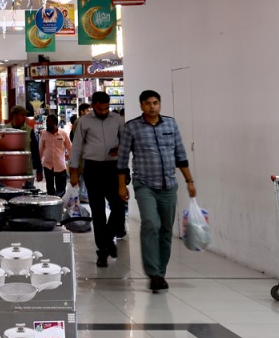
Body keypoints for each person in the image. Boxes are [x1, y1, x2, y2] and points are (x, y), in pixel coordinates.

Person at [117, 90, 196, 292]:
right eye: (148, 103)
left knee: (166, 230)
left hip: (169, 185)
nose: (152, 107)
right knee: (151, 223)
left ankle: (160, 273)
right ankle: (153, 272)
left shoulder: (171, 124)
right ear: (141, 105)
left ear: (160, 104)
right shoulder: (132, 127)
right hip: (144, 184)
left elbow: (180, 153)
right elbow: (122, 158)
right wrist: (121, 185)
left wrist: (189, 180)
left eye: (155, 103)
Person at [70, 91, 126, 269]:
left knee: (118, 206)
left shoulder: (117, 119)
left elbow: (126, 141)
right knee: (98, 211)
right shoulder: (84, 122)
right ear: (93, 105)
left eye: (106, 108)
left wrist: (120, 149)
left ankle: (108, 240)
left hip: (113, 167)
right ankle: (102, 251)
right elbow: (77, 146)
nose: (103, 112)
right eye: (100, 109)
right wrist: (73, 171)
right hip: (92, 168)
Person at [8, 106, 44, 183]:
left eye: (25, 115)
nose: (25, 117)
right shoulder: (5, 130)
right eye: (22, 115)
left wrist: (39, 170)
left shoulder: (29, 130)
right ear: (15, 115)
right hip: (9, 170)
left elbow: (35, 151)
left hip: (26, 170)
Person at [38, 115, 72, 196]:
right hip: (47, 165)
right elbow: (41, 150)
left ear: (55, 123)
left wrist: (70, 160)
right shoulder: (44, 134)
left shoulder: (63, 134)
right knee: (50, 188)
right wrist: (39, 164)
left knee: (61, 189)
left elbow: (70, 148)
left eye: (49, 122)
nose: (47, 124)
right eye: (47, 122)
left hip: (60, 165)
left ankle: (59, 205)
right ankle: (52, 206)